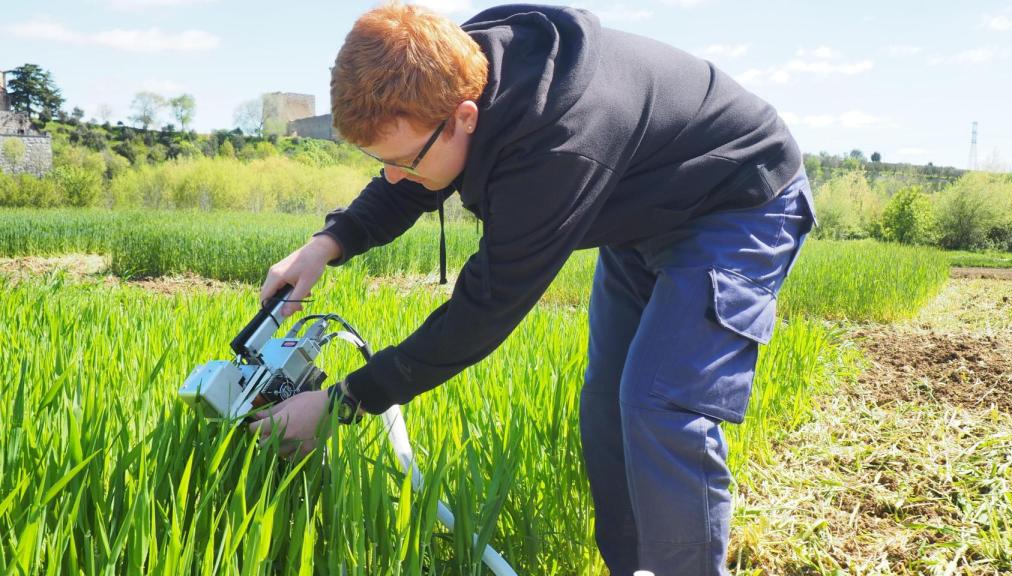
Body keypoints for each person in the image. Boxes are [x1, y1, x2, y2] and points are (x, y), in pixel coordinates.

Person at [249, 3, 816, 574]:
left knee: (659, 404)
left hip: (739, 202)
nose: (393, 175)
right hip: (644, 209)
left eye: (402, 161)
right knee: (607, 407)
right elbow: (415, 173)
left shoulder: (558, 148)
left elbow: (483, 311)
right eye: (380, 161)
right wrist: (328, 243)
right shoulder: (443, 67)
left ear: (465, 117)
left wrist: (340, 404)